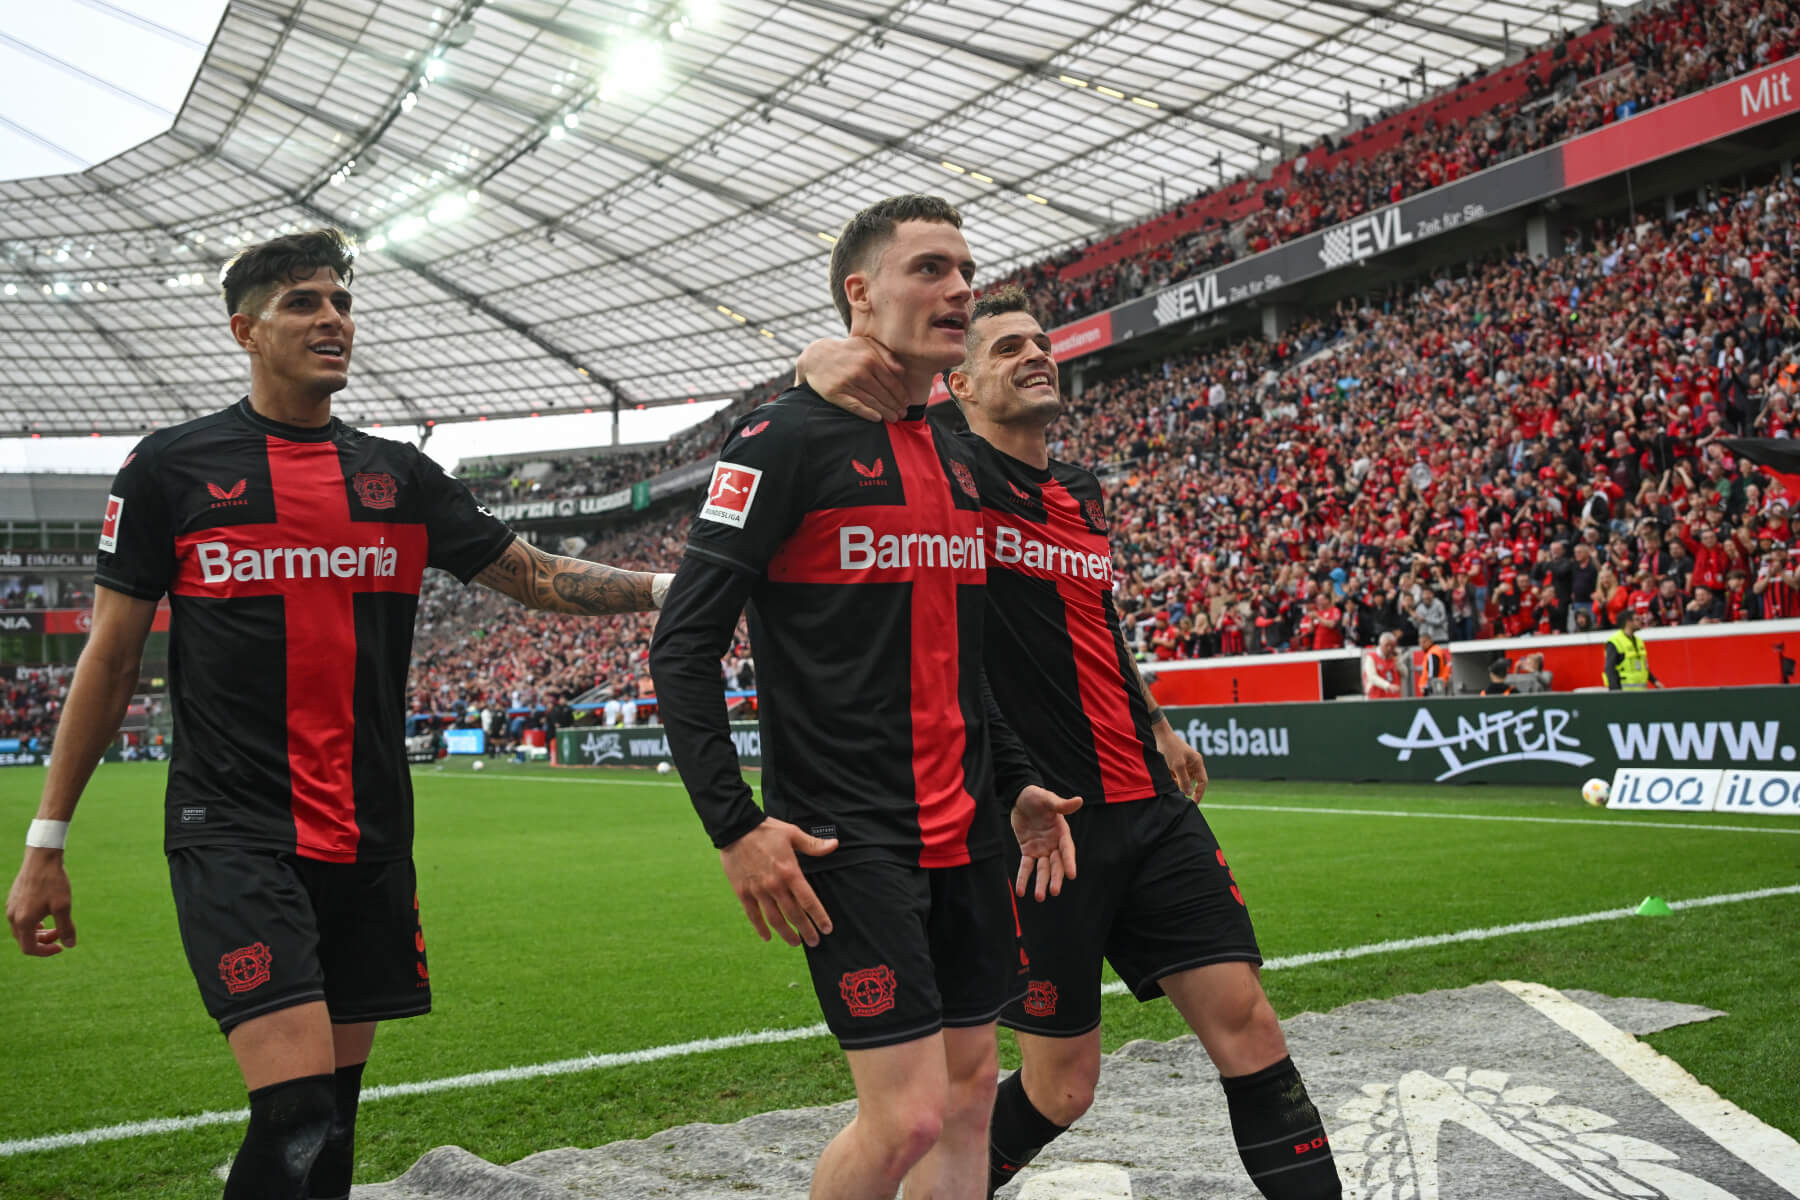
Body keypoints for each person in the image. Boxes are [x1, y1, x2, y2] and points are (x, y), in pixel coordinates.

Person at [4, 229, 673, 1200]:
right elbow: (107, 661)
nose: (333, 320)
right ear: (246, 328)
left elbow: (533, 576)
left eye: (342, 303)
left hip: (368, 833)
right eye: (304, 303)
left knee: (333, 1122)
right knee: (295, 1111)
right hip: (234, 829)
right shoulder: (171, 470)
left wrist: (670, 587)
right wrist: (46, 840)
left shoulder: (398, 476)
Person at [797, 286, 1340, 1200]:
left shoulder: (1080, 491)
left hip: (1152, 810)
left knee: (1251, 1028)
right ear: (958, 382)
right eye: (1007, 347)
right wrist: (816, 363)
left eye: (1042, 342)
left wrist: (1160, 721)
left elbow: (1100, 620)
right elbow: (861, 403)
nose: (1036, 353)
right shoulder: (947, 471)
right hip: (1046, 830)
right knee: (1062, 1087)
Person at [649, 197, 1080, 1200]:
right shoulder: (778, 442)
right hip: (850, 834)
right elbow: (683, 648)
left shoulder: (958, 456)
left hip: (969, 825)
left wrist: (1013, 783)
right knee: (909, 1117)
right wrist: (735, 825)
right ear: (860, 293)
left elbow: (964, 659)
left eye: (965, 270)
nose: (959, 288)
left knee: (973, 1092)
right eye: (930, 269)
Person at [1603, 609, 1659, 691]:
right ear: (1628, 622)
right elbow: (1610, 669)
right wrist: (1615, 692)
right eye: (1637, 619)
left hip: (1641, 692)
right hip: (1624, 693)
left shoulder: (1639, 641)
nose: (1640, 621)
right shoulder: (1615, 641)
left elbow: (1644, 668)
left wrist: (1655, 681)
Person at [1363, 631, 1403, 698]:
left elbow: (1405, 674)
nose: (1389, 648)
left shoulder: (1395, 658)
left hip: (1394, 698)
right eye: (1387, 645)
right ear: (1380, 644)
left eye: (1392, 646)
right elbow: (1372, 677)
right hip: (1376, 698)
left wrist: (1398, 661)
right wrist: (1388, 686)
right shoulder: (1371, 657)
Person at [1417, 631, 1452, 696]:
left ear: (1430, 641)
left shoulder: (1432, 653)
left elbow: (1432, 674)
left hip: (1434, 689)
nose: (1422, 645)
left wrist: (1427, 688)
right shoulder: (1436, 650)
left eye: (1424, 642)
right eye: (1420, 643)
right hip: (1439, 687)